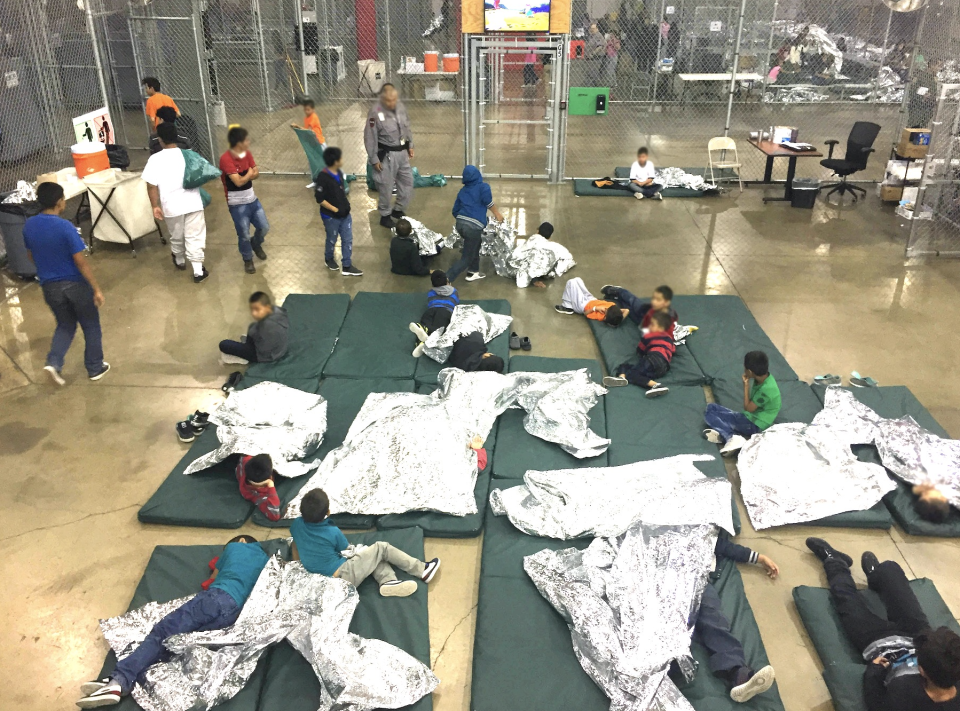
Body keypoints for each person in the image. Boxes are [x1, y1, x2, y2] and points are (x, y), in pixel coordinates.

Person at [75, 535, 269, 708]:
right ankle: (123, 680)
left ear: (241, 541)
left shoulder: (237, 547)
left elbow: (213, 577)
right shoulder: (264, 560)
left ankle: (118, 681)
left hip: (215, 598)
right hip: (233, 616)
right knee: (177, 645)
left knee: (161, 633)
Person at [804, 537, 960, 711]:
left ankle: (835, 560)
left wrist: (874, 672)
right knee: (890, 569)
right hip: (915, 632)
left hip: (877, 642)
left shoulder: (903, 696)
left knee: (845, 598)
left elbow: (875, 703)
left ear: (921, 670)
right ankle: (876, 575)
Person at [23, 182, 109, 385]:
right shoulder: (65, 227)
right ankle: (95, 367)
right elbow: (80, 262)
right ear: (59, 202)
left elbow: (30, 255)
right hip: (75, 285)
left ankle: (53, 362)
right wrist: (96, 288)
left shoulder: (29, 225)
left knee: (65, 324)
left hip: (49, 287)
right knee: (90, 325)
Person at [291, 489, 441, 598]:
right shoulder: (332, 532)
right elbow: (346, 549)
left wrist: (300, 563)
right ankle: (422, 570)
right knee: (381, 548)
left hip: (321, 578)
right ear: (328, 512)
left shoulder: (296, 525)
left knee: (371, 556)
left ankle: (388, 581)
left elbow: (296, 545)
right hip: (342, 576)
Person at [681, 537, 779, 703]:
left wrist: (760, 557)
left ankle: (738, 674)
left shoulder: (703, 527)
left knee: (713, 619)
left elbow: (724, 546)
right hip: (658, 578)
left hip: (696, 579)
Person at [142, 122, 209, 283]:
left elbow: (151, 185)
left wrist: (154, 205)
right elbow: (202, 174)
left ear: (160, 140)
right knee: (195, 236)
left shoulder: (155, 159)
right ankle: (198, 271)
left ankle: (179, 260)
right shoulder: (189, 154)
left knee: (176, 234)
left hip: (171, 205)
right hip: (193, 202)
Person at [703, 351, 782, 455]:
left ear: (749, 371)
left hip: (754, 424)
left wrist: (746, 386)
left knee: (709, 414)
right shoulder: (765, 378)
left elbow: (748, 408)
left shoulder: (766, 389)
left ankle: (730, 437)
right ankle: (725, 435)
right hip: (752, 417)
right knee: (712, 407)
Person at [219, 126, 269, 274]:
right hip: (237, 204)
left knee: (264, 227)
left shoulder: (247, 154)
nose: (249, 142)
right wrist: (248, 174)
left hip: (253, 200)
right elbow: (238, 182)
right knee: (244, 234)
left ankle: (256, 243)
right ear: (238, 143)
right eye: (246, 140)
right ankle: (247, 259)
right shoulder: (226, 159)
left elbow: (256, 173)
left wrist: (246, 175)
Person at [364, 84, 414, 228]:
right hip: (386, 155)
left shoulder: (400, 108)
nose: (392, 103)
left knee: (407, 182)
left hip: (402, 153)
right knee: (385, 186)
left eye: (394, 100)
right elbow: (370, 136)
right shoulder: (375, 112)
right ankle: (385, 214)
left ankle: (398, 209)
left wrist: (410, 145)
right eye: (389, 101)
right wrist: (374, 159)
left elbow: (406, 127)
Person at [447, 165, 504, 283]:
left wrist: (463, 221)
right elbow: (488, 202)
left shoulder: (462, 191)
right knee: (466, 257)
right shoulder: (483, 187)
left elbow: (455, 210)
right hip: (473, 227)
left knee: (475, 245)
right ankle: (446, 278)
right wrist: (497, 214)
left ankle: (473, 272)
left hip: (460, 224)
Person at [314, 146, 362, 276]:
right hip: (331, 217)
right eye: (340, 158)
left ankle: (347, 265)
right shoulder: (323, 177)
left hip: (345, 215)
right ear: (335, 161)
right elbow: (320, 199)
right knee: (332, 239)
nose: (342, 160)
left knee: (348, 239)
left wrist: (345, 207)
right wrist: (335, 210)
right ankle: (328, 258)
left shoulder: (339, 173)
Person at [602, 310, 674, 397]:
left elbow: (640, 349)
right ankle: (622, 377)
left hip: (654, 357)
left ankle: (656, 385)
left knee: (632, 374)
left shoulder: (650, 335)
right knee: (628, 368)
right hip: (664, 368)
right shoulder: (669, 339)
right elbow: (672, 351)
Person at [219, 291, 289, 364]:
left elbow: (264, 350)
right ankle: (247, 345)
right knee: (252, 327)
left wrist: (253, 338)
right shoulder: (277, 311)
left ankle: (244, 358)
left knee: (224, 344)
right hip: (280, 348)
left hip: (267, 355)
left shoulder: (267, 326)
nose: (254, 313)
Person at [409, 270, 460, 357]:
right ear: (447, 281)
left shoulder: (431, 292)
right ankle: (428, 341)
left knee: (425, 323)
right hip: (445, 311)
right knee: (439, 330)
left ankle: (421, 337)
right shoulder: (454, 292)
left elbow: (430, 302)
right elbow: (456, 302)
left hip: (431, 310)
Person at [599, 283, 677, 331]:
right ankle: (618, 291)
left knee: (629, 310)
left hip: (642, 322)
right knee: (632, 301)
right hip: (646, 312)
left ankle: (617, 299)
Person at [554, 277, 627, 324]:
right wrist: (620, 320)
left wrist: (595, 308)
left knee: (571, 282)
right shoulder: (613, 309)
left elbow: (585, 313)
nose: (605, 310)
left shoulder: (601, 315)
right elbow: (626, 310)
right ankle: (569, 304)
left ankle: (567, 306)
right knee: (578, 280)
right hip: (591, 299)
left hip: (582, 306)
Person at [236, 453, 281, 522]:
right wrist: (270, 485)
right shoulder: (258, 495)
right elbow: (274, 516)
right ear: (270, 477)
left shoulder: (245, 461)